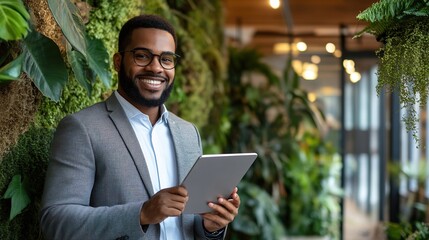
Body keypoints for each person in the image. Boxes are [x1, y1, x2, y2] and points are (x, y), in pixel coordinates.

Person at [40, 14, 240, 240]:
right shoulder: (82, 128)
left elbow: (190, 225)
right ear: (117, 62)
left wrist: (212, 227)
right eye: (142, 56)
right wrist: (142, 213)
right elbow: (55, 220)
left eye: (166, 59)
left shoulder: (187, 134)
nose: (156, 68)